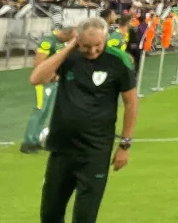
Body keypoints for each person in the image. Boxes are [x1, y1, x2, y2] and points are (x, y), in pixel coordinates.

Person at [31, 17, 137, 223]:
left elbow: (131, 103)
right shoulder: (69, 58)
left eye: (98, 45)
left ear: (105, 38)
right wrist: (69, 48)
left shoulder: (118, 60)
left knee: (85, 217)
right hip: (61, 148)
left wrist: (125, 144)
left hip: (95, 151)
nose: (93, 51)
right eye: (86, 46)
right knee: (50, 215)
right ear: (78, 40)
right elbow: (37, 78)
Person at [21, 25, 76, 154]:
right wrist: (51, 75)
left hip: (52, 82)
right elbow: (38, 63)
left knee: (45, 112)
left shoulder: (59, 43)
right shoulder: (48, 41)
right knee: (39, 110)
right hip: (43, 82)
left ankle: (36, 140)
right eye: (71, 38)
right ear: (66, 34)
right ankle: (28, 142)